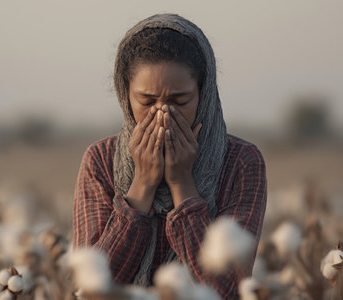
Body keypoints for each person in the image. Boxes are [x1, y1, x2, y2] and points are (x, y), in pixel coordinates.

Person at [72, 13, 267, 298]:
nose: (163, 115)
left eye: (179, 101)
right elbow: (86, 289)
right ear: (125, 97)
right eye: (147, 101)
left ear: (204, 94)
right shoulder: (100, 160)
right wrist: (142, 184)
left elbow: (228, 291)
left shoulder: (241, 162)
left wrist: (182, 183)